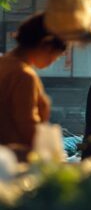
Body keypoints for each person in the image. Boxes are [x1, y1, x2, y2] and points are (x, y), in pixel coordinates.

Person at [0, 13, 68, 159]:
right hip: (14, 159)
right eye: (56, 55)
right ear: (46, 45)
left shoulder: (4, 63)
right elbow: (28, 126)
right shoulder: (23, 75)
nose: (54, 61)